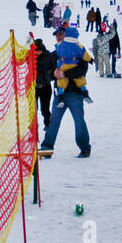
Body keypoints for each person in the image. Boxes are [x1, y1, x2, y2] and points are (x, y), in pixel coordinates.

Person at [40, 28, 92, 157]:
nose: (58, 37)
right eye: (56, 35)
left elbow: (82, 70)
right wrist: (53, 73)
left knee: (79, 121)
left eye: (60, 35)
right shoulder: (57, 52)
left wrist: (64, 73)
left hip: (75, 93)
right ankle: (47, 148)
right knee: (54, 121)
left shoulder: (78, 51)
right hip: (60, 94)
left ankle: (85, 148)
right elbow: (47, 70)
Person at [33, 39, 56, 130]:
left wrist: (47, 76)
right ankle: (33, 128)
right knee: (33, 111)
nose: (37, 53)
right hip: (33, 88)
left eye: (38, 51)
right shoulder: (30, 56)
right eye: (35, 51)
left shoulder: (48, 56)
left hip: (45, 87)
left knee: (45, 110)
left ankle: (48, 126)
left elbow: (54, 70)